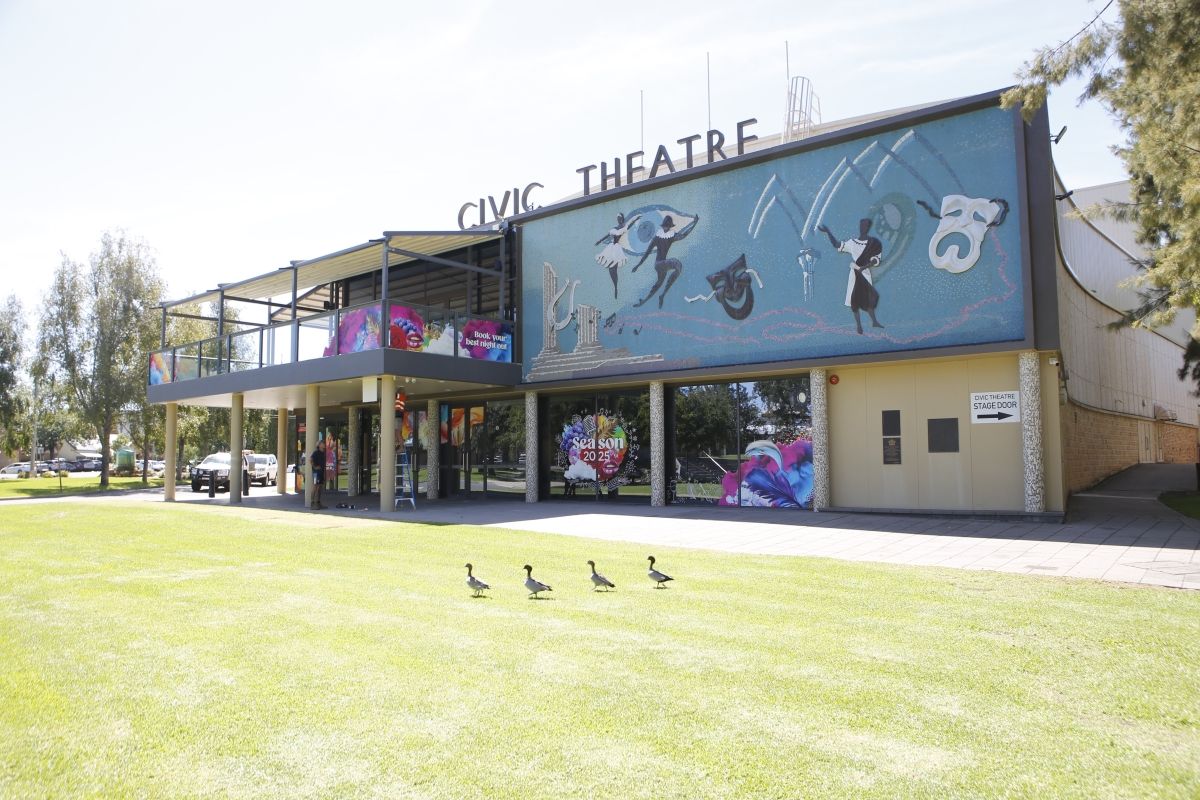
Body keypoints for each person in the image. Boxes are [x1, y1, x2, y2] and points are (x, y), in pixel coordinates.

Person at [818, 218, 884, 334]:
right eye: (861, 225)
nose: (863, 228)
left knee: (869, 298)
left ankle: (874, 321)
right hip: (854, 274)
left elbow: (876, 259)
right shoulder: (852, 243)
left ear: (868, 227)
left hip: (864, 273)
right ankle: (858, 326)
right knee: (854, 299)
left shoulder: (873, 243)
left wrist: (864, 267)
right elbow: (837, 244)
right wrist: (828, 232)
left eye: (865, 226)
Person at [594, 212, 641, 298]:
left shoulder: (623, 228)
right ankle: (615, 286)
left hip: (616, 248)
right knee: (610, 266)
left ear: (622, 219)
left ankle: (616, 287)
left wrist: (635, 219)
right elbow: (607, 235)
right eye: (618, 219)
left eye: (620, 218)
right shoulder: (614, 228)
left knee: (614, 266)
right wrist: (599, 241)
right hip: (611, 247)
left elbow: (629, 225)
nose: (619, 220)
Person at [310, 439, 326, 510]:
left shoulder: (323, 453)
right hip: (316, 473)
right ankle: (312, 503)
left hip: (321, 472)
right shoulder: (316, 452)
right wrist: (315, 467)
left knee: (320, 488)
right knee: (315, 487)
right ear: (319, 445)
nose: (324, 444)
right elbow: (310, 460)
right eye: (322, 443)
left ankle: (318, 503)